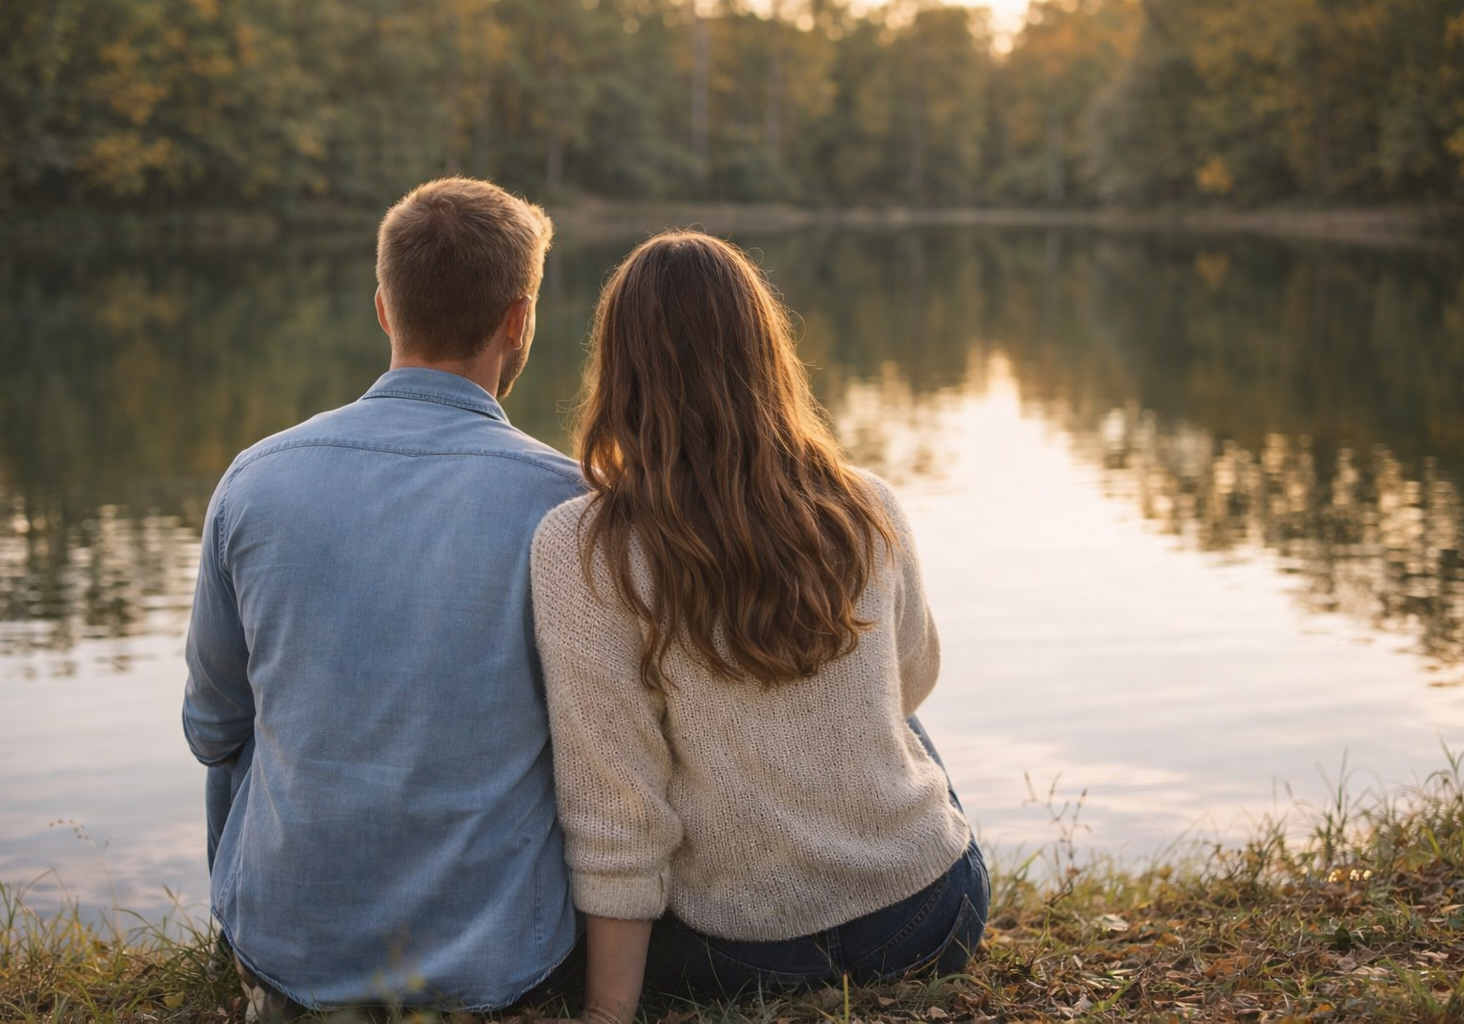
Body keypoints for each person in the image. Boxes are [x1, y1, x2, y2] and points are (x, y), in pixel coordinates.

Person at [529, 231, 989, 1024]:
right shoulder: (868, 504)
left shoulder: (585, 545)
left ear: (621, 368)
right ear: (766, 352)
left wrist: (608, 1014)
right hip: (928, 914)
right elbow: (912, 681)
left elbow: (619, 808)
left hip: (733, 954)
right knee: (895, 713)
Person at [182, 177, 586, 1016]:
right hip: (502, 968)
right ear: (519, 319)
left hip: (288, 956)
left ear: (381, 307)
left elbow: (210, 729)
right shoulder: (569, 506)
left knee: (247, 725)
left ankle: (276, 950)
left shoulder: (256, 481)